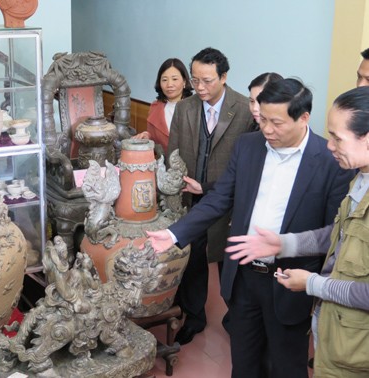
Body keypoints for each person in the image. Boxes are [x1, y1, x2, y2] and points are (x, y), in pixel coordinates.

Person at [146, 78, 354, 378]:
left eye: (277, 122)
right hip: (243, 276)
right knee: (243, 362)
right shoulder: (248, 146)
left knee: (287, 365)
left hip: (290, 279)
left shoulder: (329, 161)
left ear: (303, 117)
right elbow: (219, 198)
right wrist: (174, 233)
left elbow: (333, 234)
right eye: (263, 119)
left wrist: (317, 286)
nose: (267, 129)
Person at [226, 85, 369, 377]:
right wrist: (283, 244)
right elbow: (336, 235)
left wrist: (312, 284)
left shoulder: (341, 169)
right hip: (335, 332)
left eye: (337, 138)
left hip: (355, 343)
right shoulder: (360, 180)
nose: (329, 145)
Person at [167, 47, 254, 345]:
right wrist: (176, 183)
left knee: (230, 262)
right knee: (192, 259)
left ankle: (237, 318)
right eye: (195, 80)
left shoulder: (244, 110)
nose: (200, 88)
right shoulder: (185, 108)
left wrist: (207, 186)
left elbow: (248, 166)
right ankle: (194, 317)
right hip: (190, 200)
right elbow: (174, 153)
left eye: (207, 81)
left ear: (224, 77)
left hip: (228, 201)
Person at [133, 58, 193, 154]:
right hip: (164, 166)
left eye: (175, 79)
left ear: (184, 82)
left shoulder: (195, 107)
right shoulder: (155, 107)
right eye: (164, 80)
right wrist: (147, 136)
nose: (169, 84)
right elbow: (154, 139)